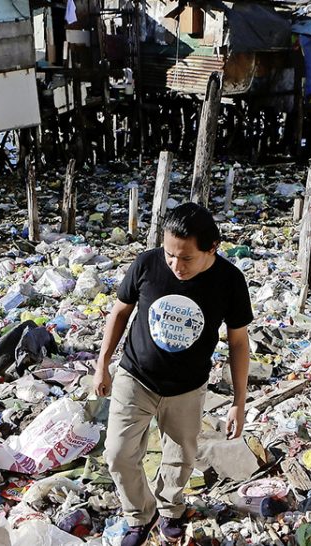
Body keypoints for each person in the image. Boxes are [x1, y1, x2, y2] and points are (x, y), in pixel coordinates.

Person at [93, 202, 253, 546]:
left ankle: (170, 508)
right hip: (135, 376)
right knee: (118, 455)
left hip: (188, 387)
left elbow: (239, 343)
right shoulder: (148, 263)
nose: (176, 266)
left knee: (180, 460)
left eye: (186, 258)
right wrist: (102, 362)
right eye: (170, 255)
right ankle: (140, 513)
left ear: (211, 248)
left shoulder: (229, 281)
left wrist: (239, 402)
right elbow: (120, 312)